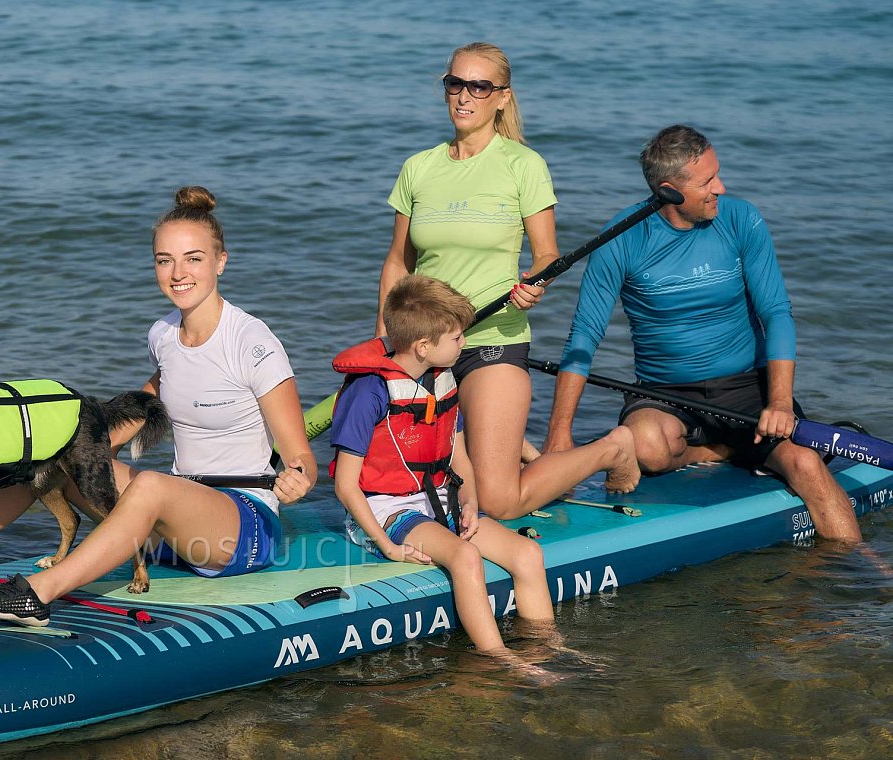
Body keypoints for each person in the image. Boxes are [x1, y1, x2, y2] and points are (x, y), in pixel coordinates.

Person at [0, 186, 318, 624]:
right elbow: (148, 405)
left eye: (193, 259)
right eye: (164, 260)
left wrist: (298, 477)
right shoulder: (164, 335)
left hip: (240, 528)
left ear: (221, 261)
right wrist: (68, 441)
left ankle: (38, 593)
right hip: (174, 530)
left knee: (150, 485)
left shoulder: (252, 342)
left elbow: (301, 458)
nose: (177, 274)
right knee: (53, 455)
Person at [542, 125, 862, 543]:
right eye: (707, 181)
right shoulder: (621, 239)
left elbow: (777, 313)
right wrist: (559, 431)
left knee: (805, 465)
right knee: (646, 448)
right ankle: (724, 446)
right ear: (670, 191)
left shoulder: (741, 219)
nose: (720, 187)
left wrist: (780, 403)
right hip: (666, 391)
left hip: (748, 386)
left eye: (717, 174)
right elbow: (584, 334)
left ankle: (859, 576)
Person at [376, 41, 639, 518]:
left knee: (496, 502)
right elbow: (398, 262)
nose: (464, 96)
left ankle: (612, 448)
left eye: (479, 86)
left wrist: (534, 283)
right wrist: (385, 334)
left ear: (502, 97)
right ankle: (515, 446)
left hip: (492, 340)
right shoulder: (419, 167)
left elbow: (546, 254)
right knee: (419, 492)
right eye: (455, 83)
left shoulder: (523, 165)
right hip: (423, 346)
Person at [331, 274, 556, 662]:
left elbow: (458, 456)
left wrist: (469, 503)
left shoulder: (442, 377)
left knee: (528, 555)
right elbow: (345, 487)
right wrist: (389, 547)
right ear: (423, 346)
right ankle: (500, 657)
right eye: (456, 338)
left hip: (438, 501)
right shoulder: (368, 392)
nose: (464, 343)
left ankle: (549, 646)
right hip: (386, 510)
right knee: (465, 557)